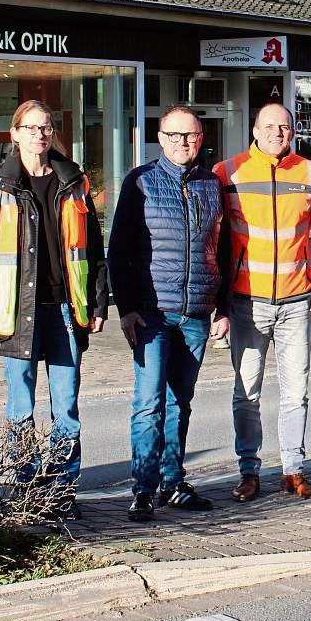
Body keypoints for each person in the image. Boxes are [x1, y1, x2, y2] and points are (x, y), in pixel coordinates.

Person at [0, 100, 108, 518]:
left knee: (66, 407)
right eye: (30, 128)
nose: (39, 135)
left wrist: (98, 300)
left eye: (45, 127)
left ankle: (62, 492)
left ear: (52, 133)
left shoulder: (75, 183)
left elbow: (93, 249)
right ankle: (25, 490)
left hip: (65, 310)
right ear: (14, 134)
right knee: (20, 408)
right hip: (18, 314)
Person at [108, 105, 231, 522]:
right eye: (175, 135)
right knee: (149, 403)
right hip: (152, 313)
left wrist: (223, 308)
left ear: (201, 139)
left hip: (196, 312)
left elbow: (226, 250)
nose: (183, 143)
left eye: (192, 136)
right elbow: (119, 250)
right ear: (160, 139)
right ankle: (142, 489)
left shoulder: (212, 185)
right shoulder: (140, 182)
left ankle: (173, 483)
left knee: (182, 402)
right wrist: (125, 308)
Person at [214, 103, 311, 503]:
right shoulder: (227, 172)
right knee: (246, 392)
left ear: (293, 131)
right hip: (247, 302)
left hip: (296, 300)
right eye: (269, 126)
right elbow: (214, 237)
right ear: (254, 130)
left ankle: (293, 470)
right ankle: (248, 472)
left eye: (284, 126)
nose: (277, 132)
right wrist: (218, 298)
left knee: (295, 392)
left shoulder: (310, 172)